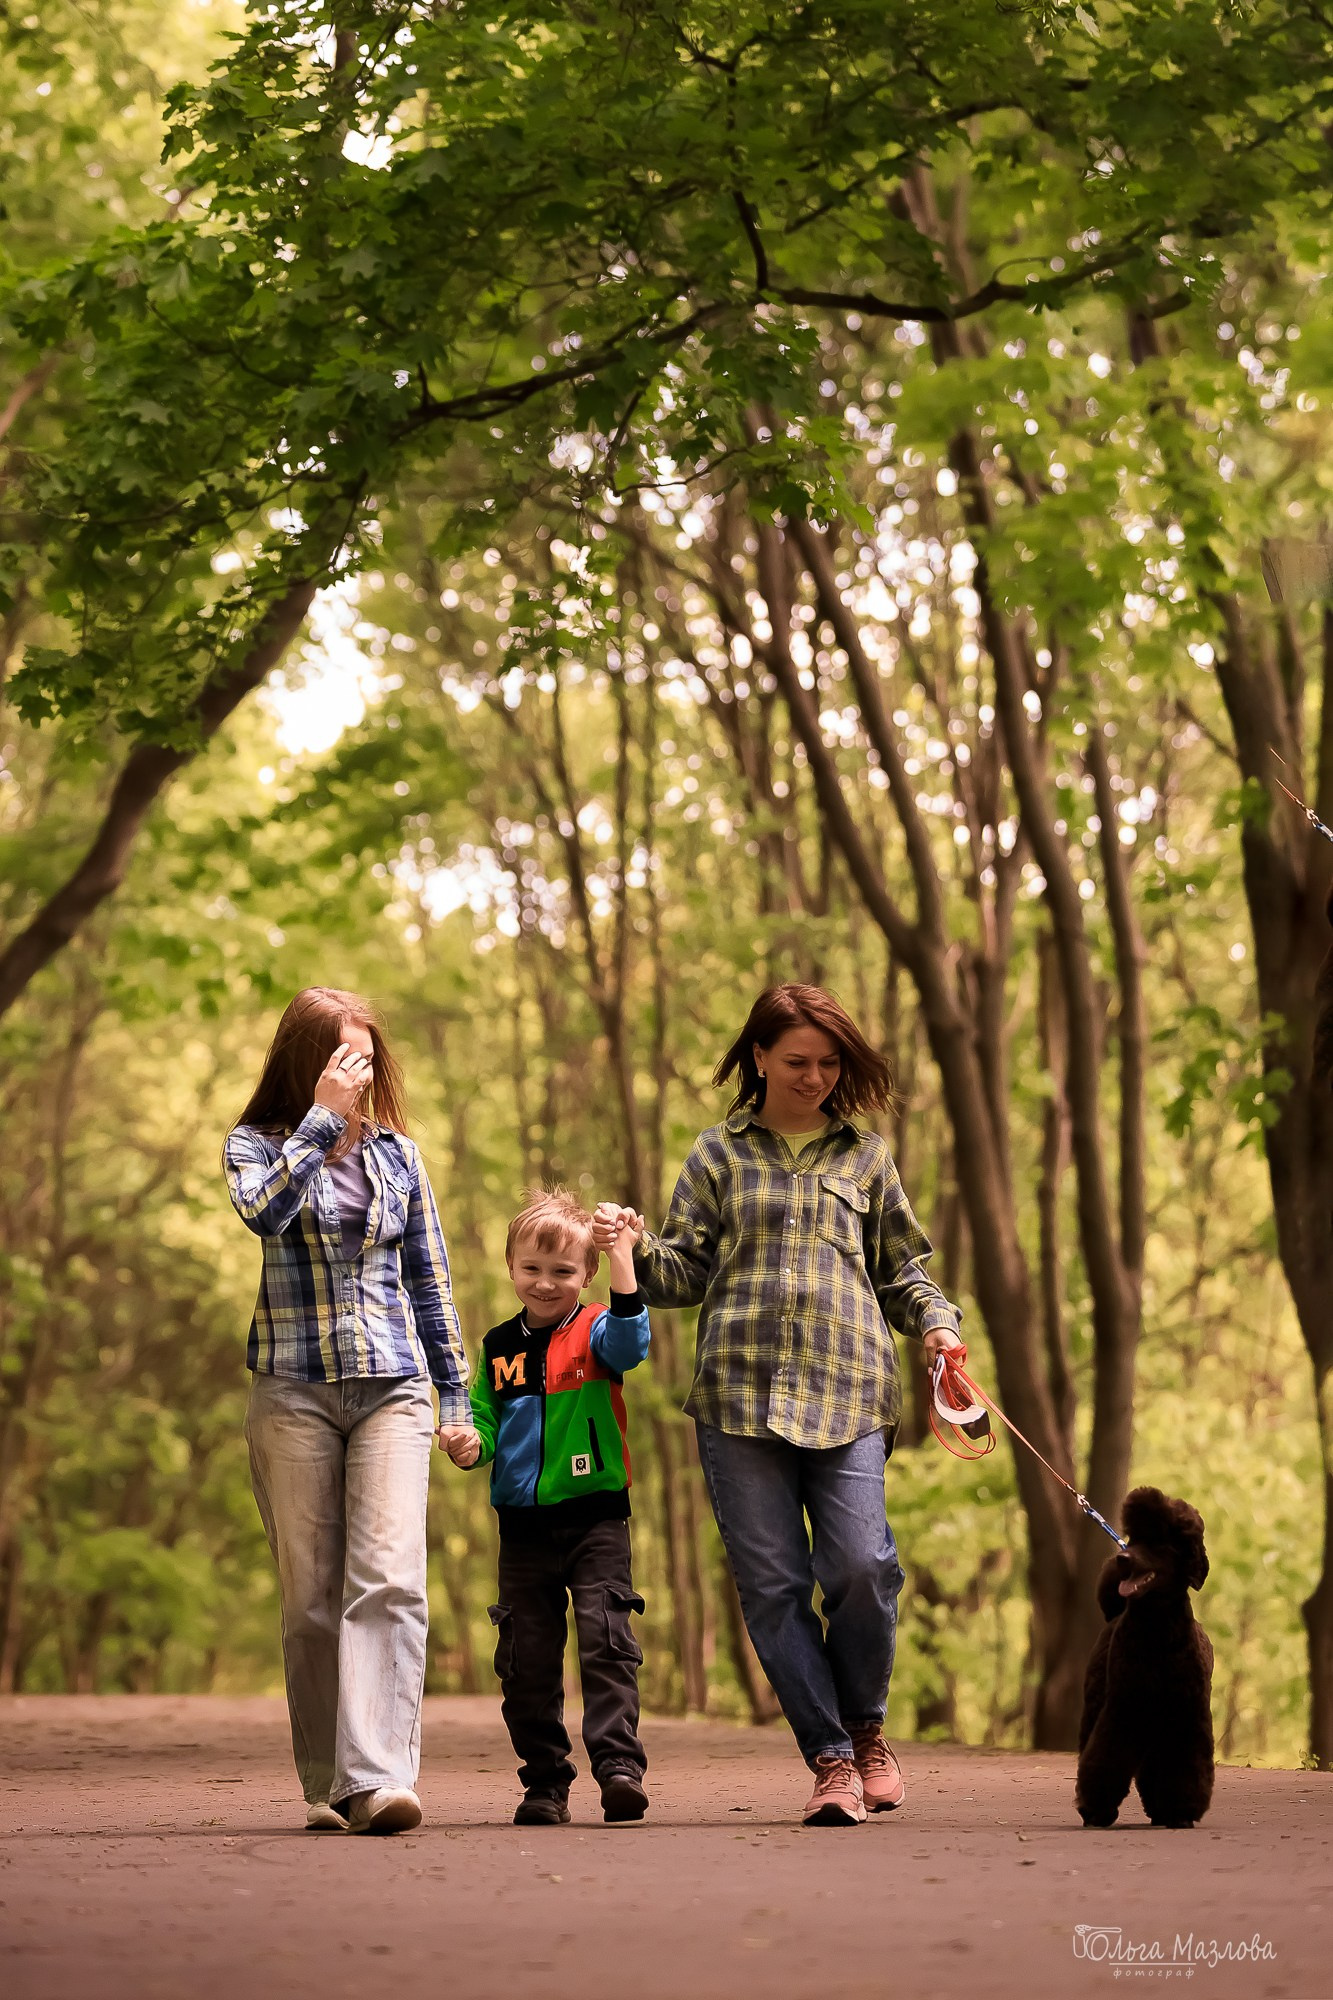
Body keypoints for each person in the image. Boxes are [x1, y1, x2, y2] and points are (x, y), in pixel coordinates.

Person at [594, 982, 963, 1828]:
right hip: (738, 1397)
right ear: (758, 1057)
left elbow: (901, 1271)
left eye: (829, 1063)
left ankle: (865, 1731)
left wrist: (938, 1326)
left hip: (850, 1390)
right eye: (797, 1061)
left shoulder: (865, 1157)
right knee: (772, 1586)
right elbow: (682, 1274)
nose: (814, 1077)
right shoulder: (717, 1155)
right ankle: (831, 1760)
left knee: (863, 1568)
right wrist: (631, 1248)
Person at [224, 986, 470, 1835]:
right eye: (341, 1059)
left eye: (365, 1060)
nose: (357, 1074)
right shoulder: (254, 1146)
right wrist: (320, 1121)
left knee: (390, 1576)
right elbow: (265, 1215)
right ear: (306, 1062)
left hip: (393, 1388)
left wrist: (455, 1396)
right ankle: (331, 1782)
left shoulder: (400, 1157)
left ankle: (380, 1779)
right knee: (310, 1600)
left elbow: (431, 1282)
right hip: (291, 1390)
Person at [440, 1187, 652, 1827]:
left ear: (585, 1275)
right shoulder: (498, 1346)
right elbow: (483, 1419)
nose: (545, 1282)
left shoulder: (598, 1329)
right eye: (531, 1268)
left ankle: (618, 1769)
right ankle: (544, 1782)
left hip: (595, 1519)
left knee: (606, 1641)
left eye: (562, 1271)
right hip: (523, 1529)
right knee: (526, 1659)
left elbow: (631, 1344)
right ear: (510, 1268)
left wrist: (623, 1256)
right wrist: (468, 1443)